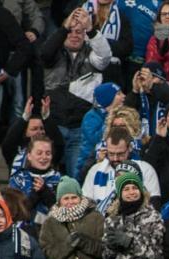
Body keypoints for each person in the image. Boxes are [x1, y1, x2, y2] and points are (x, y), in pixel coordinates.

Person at [41, 7, 112, 177]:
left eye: (79, 32)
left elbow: (105, 57)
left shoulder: (92, 55)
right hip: (54, 125)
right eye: (70, 31)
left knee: (75, 176)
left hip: (80, 128)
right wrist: (64, 27)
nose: (74, 35)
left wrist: (91, 29)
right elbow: (44, 53)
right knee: (48, 175)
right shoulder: (54, 53)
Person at [37, 177, 106, 259]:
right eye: (66, 198)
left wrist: (85, 242)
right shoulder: (50, 222)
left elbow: (106, 251)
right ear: (59, 201)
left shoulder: (96, 218)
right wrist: (68, 244)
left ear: (80, 197)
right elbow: (46, 256)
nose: (70, 202)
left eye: (74, 197)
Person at [102, 172, 165, 259]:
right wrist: (111, 248)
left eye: (135, 188)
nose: (131, 192)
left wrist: (130, 242)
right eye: (126, 189)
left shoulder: (153, 217)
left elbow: (157, 256)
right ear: (119, 194)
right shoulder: (111, 220)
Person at [82, 126, 161, 213]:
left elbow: (154, 203)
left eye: (120, 154)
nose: (115, 159)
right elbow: (86, 204)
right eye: (111, 154)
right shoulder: (95, 170)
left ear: (130, 148)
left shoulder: (145, 169)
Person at [7, 136, 61, 229]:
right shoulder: (17, 179)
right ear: (29, 156)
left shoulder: (59, 179)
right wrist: (34, 194)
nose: (44, 157)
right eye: (39, 153)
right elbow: (15, 212)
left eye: (48, 153)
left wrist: (46, 192)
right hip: (22, 232)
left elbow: (63, 211)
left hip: (52, 233)